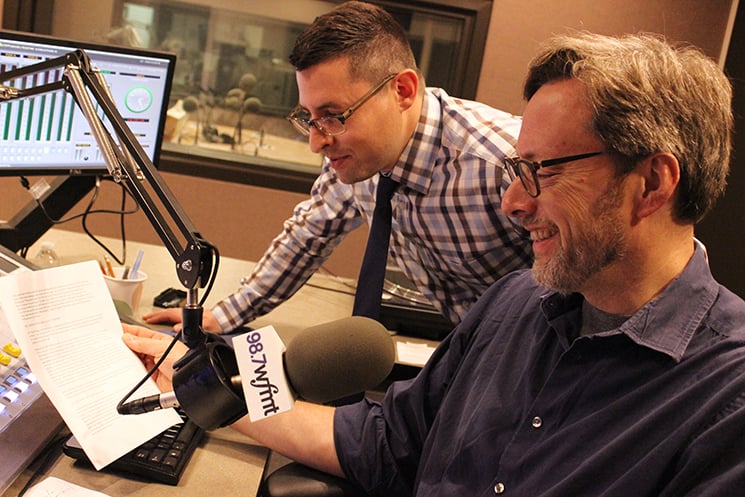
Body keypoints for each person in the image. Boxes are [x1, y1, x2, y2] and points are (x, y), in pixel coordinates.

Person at [123, 31, 745, 495]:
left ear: (653, 183)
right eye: (513, 172)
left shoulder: (726, 403)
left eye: (540, 173)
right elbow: (381, 443)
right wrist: (206, 380)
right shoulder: (513, 304)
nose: (512, 202)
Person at [142, 0, 531, 333]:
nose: (316, 142)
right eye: (309, 117)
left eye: (332, 114)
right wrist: (222, 316)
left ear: (403, 91)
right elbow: (307, 236)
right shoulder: (356, 156)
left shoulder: (504, 163)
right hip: (476, 339)